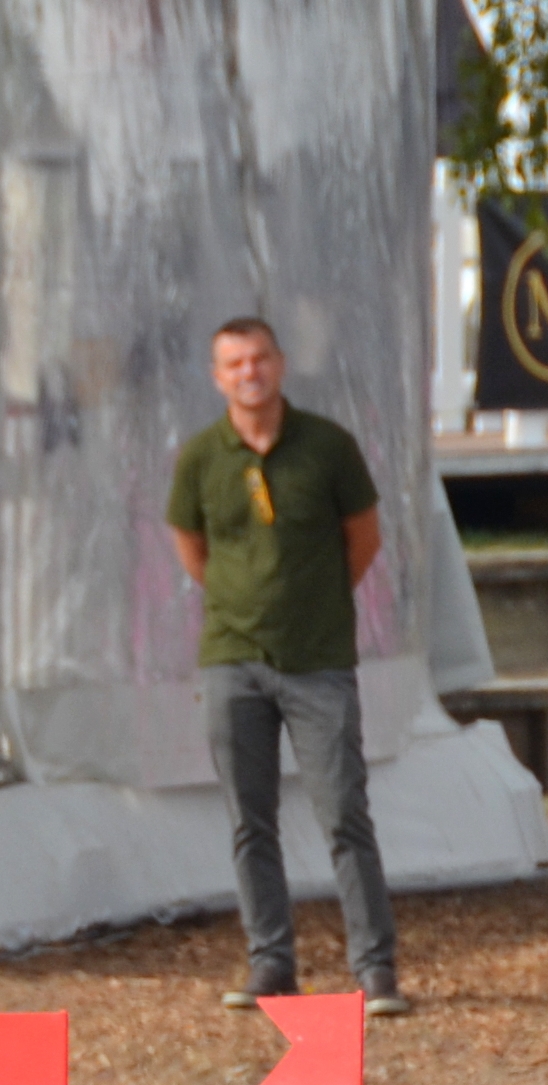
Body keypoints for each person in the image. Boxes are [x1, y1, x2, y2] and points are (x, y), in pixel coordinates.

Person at [168, 317, 407, 1016]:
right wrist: (240, 601)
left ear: (280, 364)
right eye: (234, 363)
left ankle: (374, 968)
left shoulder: (327, 448)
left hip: (318, 662)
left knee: (344, 813)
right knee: (250, 819)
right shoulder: (201, 458)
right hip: (232, 660)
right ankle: (271, 961)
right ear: (218, 377)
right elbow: (190, 545)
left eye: (260, 358)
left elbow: (362, 539)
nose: (250, 372)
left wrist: (315, 602)